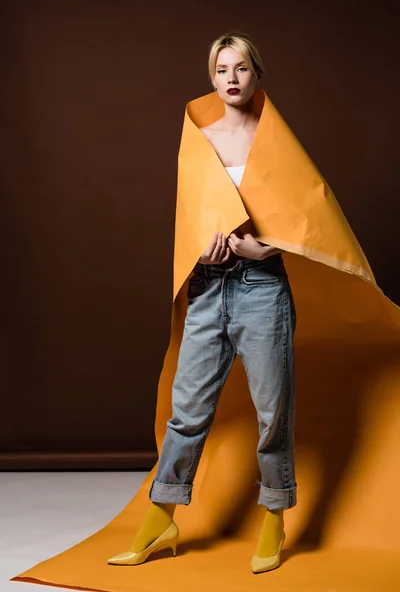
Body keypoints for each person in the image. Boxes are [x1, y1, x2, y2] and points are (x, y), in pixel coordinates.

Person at [107, 32, 297, 574]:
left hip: (264, 287)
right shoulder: (199, 136)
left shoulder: (275, 138)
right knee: (185, 413)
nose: (231, 78)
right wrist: (203, 251)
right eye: (221, 69)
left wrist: (269, 245)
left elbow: (306, 215)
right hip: (209, 286)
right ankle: (160, 518)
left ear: (257, 75)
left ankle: (274, 518)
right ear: (212, 78)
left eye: (240, 67)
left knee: (272, 414)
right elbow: (189, 214)